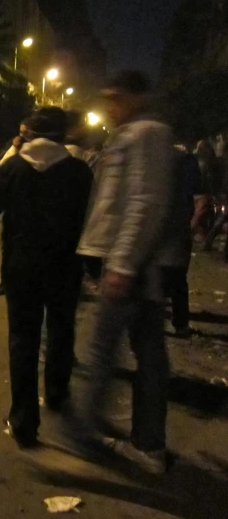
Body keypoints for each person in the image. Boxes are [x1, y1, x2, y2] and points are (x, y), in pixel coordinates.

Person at [0, 107, 93, 448]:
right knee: (60, 329)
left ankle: (24, 420)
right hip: (65, 266)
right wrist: (94, 266)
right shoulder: (79, 171)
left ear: (29, 135)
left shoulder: (12, 167)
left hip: (21, 266)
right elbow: (91, 220)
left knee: (23, 339)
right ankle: (56, 393)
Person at [74, 71, 174, 474]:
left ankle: (82, 436)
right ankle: (148, 442)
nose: (110, 107)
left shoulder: (146, 134)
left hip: (128, 264)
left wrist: (122, 265)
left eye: (115, 98)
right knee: (149, 350)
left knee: (102, 352)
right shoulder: (134, 134)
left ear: (136, 97)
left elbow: (143, 204)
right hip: (133, 263)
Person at [162, 145, 201, 337]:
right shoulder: (187, 160)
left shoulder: (152, 156)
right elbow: (200, 197)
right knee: (177, 277)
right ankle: (180, 324)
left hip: (163, 225)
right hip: (178, 226)